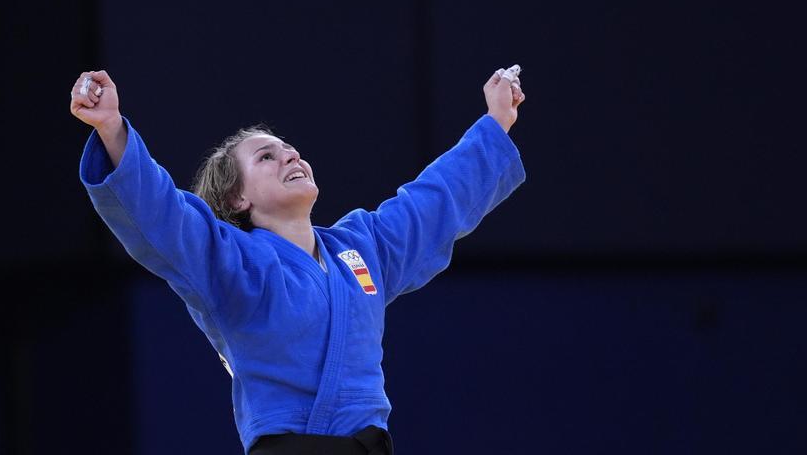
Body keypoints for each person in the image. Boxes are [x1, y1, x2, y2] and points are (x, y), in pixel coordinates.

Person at [70, 66, 527, 455]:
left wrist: (495, 123)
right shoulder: (227, 260)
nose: (290, 155)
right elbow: (163, 211)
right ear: (237, 196)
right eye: (266, 156)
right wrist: (112, 129)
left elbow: (433, 203)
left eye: (290, 149)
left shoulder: (362, 247)